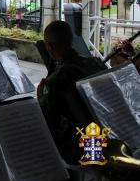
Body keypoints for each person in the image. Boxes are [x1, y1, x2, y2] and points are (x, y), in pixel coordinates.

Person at [37, 20, 107, 164]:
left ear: (49, 47)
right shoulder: (96, 63)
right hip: (109, 135)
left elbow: (48, 121)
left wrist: (41, 98)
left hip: (88, 149)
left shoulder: (55, 81)